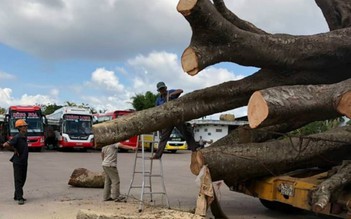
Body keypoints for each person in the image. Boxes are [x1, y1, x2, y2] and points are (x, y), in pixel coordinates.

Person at [152, 81, 199, 159]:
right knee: (164, 138)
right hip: (167, 120)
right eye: (161, 89)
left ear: (166, 88)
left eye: (163, 88)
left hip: (176, 118)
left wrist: (172, 94)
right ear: (159, 91)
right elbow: (156, 110)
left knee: (185, 132)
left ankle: (194, 148)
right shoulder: (158, 100)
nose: (162, 90)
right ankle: (158, 155)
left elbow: (181, 90)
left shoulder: (170, 92)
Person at [3, 119, 29, 205]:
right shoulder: (17, 137)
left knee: (23, 179)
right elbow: (5, 145)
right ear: (19, 128)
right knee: (18, 180)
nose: (26, 127)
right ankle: (19, 197)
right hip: (18, 162)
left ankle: (16, 195)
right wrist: (13, 149)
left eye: (26, 126)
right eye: (24, 126)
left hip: (24, 161)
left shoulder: (24, 136)